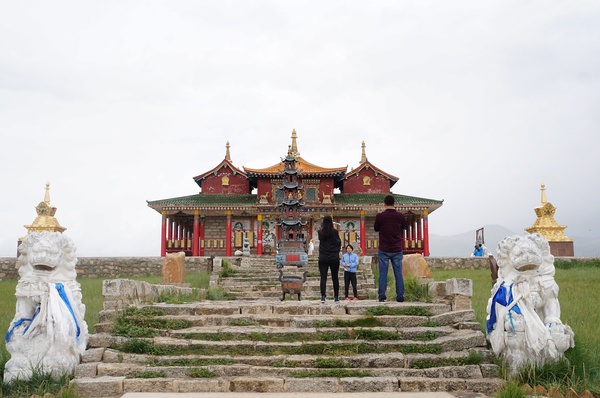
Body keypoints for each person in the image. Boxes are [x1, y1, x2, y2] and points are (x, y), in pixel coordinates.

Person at [374, 194, 407, 302]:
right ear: (394, 204)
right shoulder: (400, 216)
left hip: (383, 249)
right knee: (398, 273)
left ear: (384, 204)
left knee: (383, 273)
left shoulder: (380, 216)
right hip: (397, 248)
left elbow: (376, 228)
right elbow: (404, 227)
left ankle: (382, 296)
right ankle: (400, 296)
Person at [318, 215, 342, 302]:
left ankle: (323, 296)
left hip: (323, 257)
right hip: (334, 257)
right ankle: (336, 296)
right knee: (335, 277)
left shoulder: (320, 232)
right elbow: (338, 242)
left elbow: (321, 241)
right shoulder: (335, 232)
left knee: (323, 277)